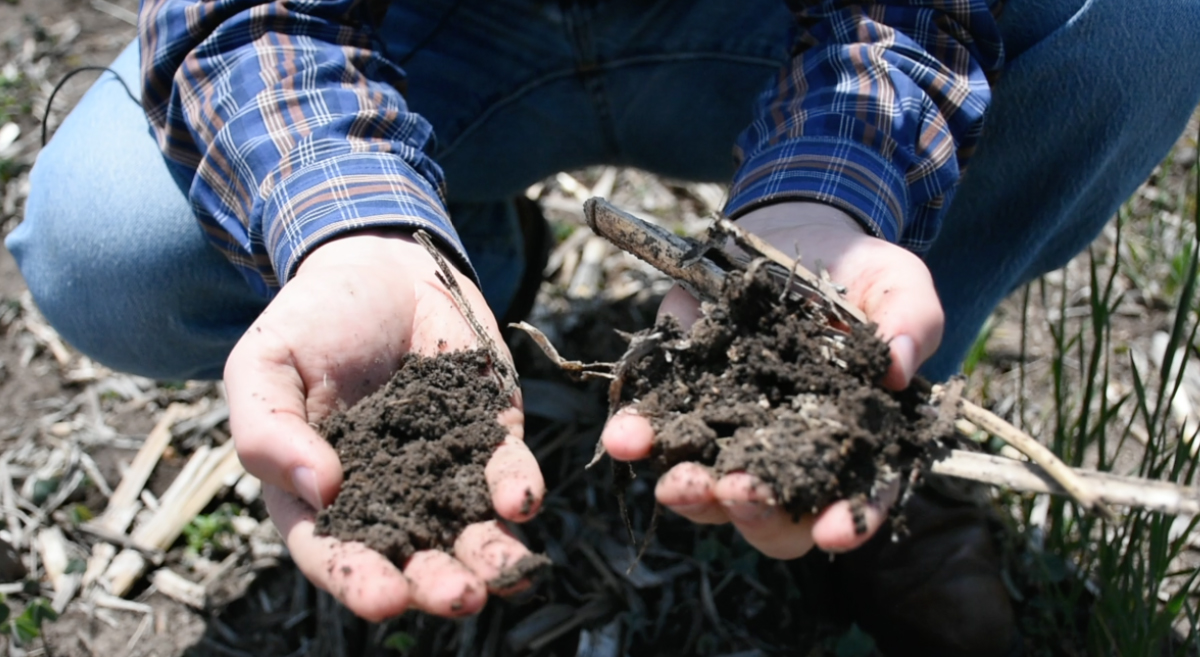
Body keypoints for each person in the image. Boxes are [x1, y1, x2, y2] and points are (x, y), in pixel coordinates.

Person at [7, 0, 1200, 654]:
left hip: (755, 27)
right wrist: (347, 228)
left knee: (1137, 19)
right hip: (428, 32)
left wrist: (835, 191)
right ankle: (460, 253)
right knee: (111, 237)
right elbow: (243, 14)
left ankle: (877, 419)